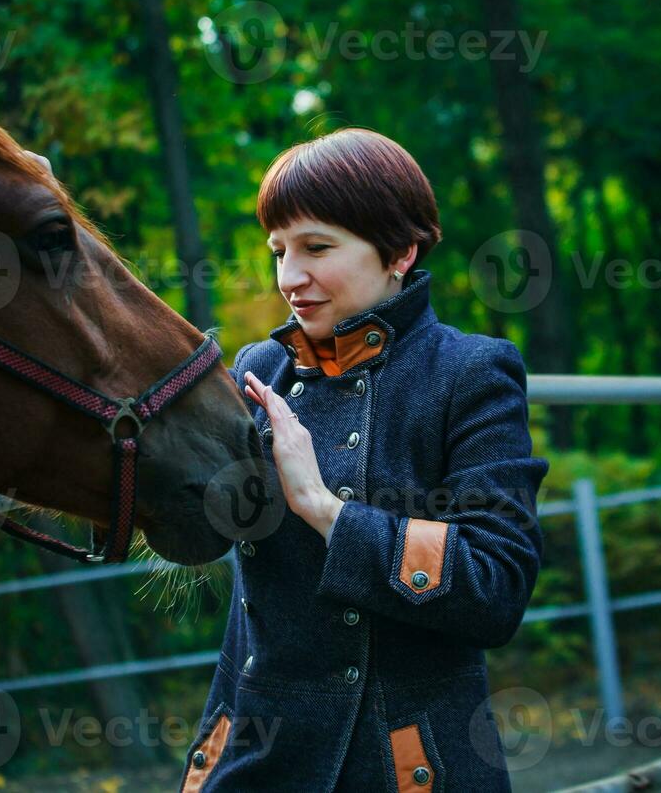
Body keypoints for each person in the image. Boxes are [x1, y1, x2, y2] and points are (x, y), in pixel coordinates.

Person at [177, 127, 550, 792]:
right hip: (254, 758)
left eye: (317, 247)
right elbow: (194, 528)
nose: (290, 278)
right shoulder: (257, 370)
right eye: (278, 251)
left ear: (400, 251)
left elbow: (496, 588)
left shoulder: (470, 373)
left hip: (406, 765)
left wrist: (326, 510)